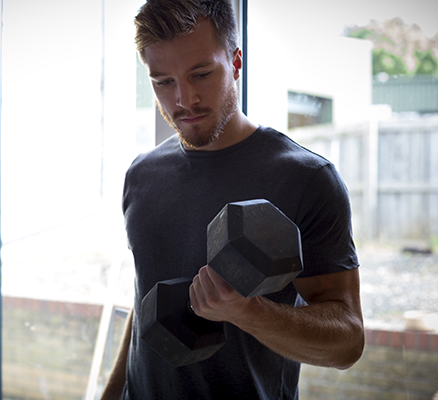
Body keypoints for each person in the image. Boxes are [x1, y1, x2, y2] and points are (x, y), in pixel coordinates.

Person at [101, 0, 365, 398]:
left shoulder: (306, 179)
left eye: (201, 74)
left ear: (236, 62)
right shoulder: (141, 175)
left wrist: (248, 312)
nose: (183, 99)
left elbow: (347, 342)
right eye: (163, 81)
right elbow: (144, 303)